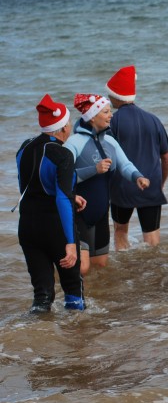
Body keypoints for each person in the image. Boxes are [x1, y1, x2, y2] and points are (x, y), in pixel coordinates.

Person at [65, 94, 150, 276]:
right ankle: (73, 301)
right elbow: (62, 177)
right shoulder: (74, 143)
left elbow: (125, 164)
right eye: (106, 112)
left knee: (101, 267)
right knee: (82, 268)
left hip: (102, 213)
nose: (111, 115)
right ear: (92, 116)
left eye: (110, 110)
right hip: (78, 213)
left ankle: (97, 302)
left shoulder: (110, 142)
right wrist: (94, 169)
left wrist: (137, 177)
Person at [16, 95, 87, 313]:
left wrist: (69, 194)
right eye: (68, 123)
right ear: (63, 127)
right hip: (54, 227)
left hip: (27, 226)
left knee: (42, 294)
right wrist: (70, 242)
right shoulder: (63, 154)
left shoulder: (24, 147)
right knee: (73, 286)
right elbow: (62, 198)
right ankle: (77, 338)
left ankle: (35, 337)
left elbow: (29, 185)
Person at [106, 65, 168, 249]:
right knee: (152, 240)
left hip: (122, 189)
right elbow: (167, 159)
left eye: (110, 94)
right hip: (150, 186)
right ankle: (152, 275)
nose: (108, 98)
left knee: (120, 232)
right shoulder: (153, 119)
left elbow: (107, 157)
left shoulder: (112, 121)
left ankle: (127, 273)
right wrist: (160, 184)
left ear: (116, 95)